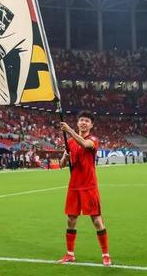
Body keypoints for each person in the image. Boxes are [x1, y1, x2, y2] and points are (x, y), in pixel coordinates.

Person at [57, 110, 111, 266]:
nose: (83, 123)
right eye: (81, 120)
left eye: (87, 121)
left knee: (96, 220)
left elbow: (85, 144)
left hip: (89, 186)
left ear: (91, 125)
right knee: (71, 220)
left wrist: (69, 130)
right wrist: (65, 158)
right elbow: (61, 165)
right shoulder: (70, 142)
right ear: (77, 122)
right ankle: (70, 254)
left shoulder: (92, 140)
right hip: (74, 186)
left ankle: (106, 255)